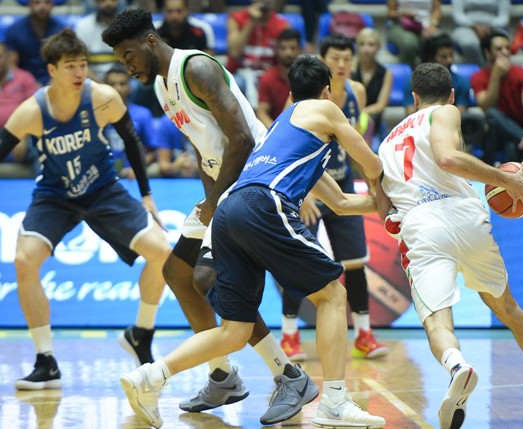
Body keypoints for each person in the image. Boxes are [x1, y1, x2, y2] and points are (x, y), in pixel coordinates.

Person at [117, 54, 386, 429]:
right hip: (263, 204)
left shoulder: (283, 127)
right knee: (332, 296)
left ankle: (151, 377)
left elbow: (340, 204)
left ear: (290, 93)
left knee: (235, 330)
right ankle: (335, 403)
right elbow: (373, 168)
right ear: (326, 92)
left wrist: (384, 207)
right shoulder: (326, 110)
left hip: (229, 211)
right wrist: (399, 194)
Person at [102, 9, 319, 425]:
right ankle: (223, 376)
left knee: (207, 278)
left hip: (252, 179)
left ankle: (288, 374)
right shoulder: (165, 87)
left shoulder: (196, 68)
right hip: (222, 183)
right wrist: (207, 202)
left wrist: (217, 203)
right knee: (177, 274)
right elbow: (205, 147)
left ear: (150, 42)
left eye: (128, 55)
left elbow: (240, 137)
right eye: (119, 60)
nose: (126, 67)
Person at [0, 28, 172, 390]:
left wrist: (146, 194)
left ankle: (141, 333)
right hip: (54, 196)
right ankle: (46, 361)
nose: (80, 73)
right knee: (23, 261)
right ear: (51, 69)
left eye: (83, 65)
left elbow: (132, 140)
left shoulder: (103, 97)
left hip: (104, 190)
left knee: (164, 254)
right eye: (70, 66)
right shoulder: (33, 110)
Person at [375, 61, 523, 429]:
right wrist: (504, 181)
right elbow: (446, 157)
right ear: (453, 95)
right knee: (507, 308)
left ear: (413, 99)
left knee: (436, 321)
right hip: (464, 214)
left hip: (421, 227)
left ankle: (457, 366)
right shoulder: (446, 111)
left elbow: (384, 211)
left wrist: (395, 221)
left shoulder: (385, 142)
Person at [281, 33, 389, 360]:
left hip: (343, 183)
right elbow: (291, 148)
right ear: (323, 62)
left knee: (355, 263)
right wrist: (308, 196)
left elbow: (356, 145)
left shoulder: (357, 91)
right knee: (297, 264)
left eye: (346, 58)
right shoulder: (304, 100)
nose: (341, 65)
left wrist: (371, 184)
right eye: (335, 59)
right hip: (309, 189)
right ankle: (289, 336)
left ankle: (364, 335)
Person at [470, 29, 523, 165]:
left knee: (512, 144)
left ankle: (507, 183)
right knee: (492, 114)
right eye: (499, 49)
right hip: (495, 134)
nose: (505, 52)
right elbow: (486, 107)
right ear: (487, 53)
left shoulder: (522, 73)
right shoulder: (478, 77)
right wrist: (495, 76)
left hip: (520, 131)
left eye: (507, 48)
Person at [226, 0, 290, 109]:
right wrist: (251, 21)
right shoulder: (236, 19)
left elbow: (287, 57)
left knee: (275, 82)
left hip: (268, 75)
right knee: (237, 83)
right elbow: (234, 51)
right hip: (241, 74)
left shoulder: (282, 25)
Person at [103, 66, 158, 179]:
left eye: (122, 84)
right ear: (104, 86)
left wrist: (138, 168)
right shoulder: (96, 115)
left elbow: (152, 152)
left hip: (133, 174)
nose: (118, 88)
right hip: (105, 175)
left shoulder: (143, 114)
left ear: (129, 86)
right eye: (112, 84)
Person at [404, 33, 470, 117]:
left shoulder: (462, 82)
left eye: (451, 55)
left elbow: (460, 118)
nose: (450, 61)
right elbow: (411, 117)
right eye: (444, 57)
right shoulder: (413, 82)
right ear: (431, 58)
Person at [5, 0, 65, 85]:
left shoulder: (61, 31)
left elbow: (65, 61)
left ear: (52, 5)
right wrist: (28, 84)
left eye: (47, 2)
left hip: (54, 81)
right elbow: (11, 65)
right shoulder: (15, 31)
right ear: (29, 5)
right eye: (37, 2)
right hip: (23, 84)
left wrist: (55, 81)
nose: (42, 6)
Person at [351, 28, 393, 149]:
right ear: (357, 47)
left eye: (371, 44)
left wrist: (363, 114)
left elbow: (380, 105)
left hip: (373, 118)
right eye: (362, 44)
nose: (366, 49)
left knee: (367, 121)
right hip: (351, 115)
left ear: (378, 47)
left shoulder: (386, 73)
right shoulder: (350, 71)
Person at [257, 28, 302, 129]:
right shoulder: (267, 78)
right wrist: (276, 131)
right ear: (277, 49)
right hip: (276, 130)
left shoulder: (308, 77)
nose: (288, 53)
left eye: (292, 48)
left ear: (300, 49)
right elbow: (262, 112)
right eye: (283, 48)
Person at [452, 0, 510, 66]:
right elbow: (457, 15)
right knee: (469, 43)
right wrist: (473, 25)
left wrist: (491, 25)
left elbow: (504, 17)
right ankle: (479, 72)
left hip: (494, 26)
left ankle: (497, 71)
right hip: (466, 27)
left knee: (499, 44)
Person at [386, 0, 442, 69]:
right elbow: (391, 12)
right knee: (409, 43)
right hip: (402, 25)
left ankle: (434, 75)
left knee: (439, 40)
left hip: (427, 24)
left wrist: (432, 25)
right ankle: (409, 76)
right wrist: (403, 13)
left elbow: (437, 10)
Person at [75, 0, 121, 82]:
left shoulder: (129, 24)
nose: (108, 3)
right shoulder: (83, 26)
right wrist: (99, 85)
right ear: (95, 1)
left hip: (123, 79)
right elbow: (80, 62)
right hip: (93, 79)